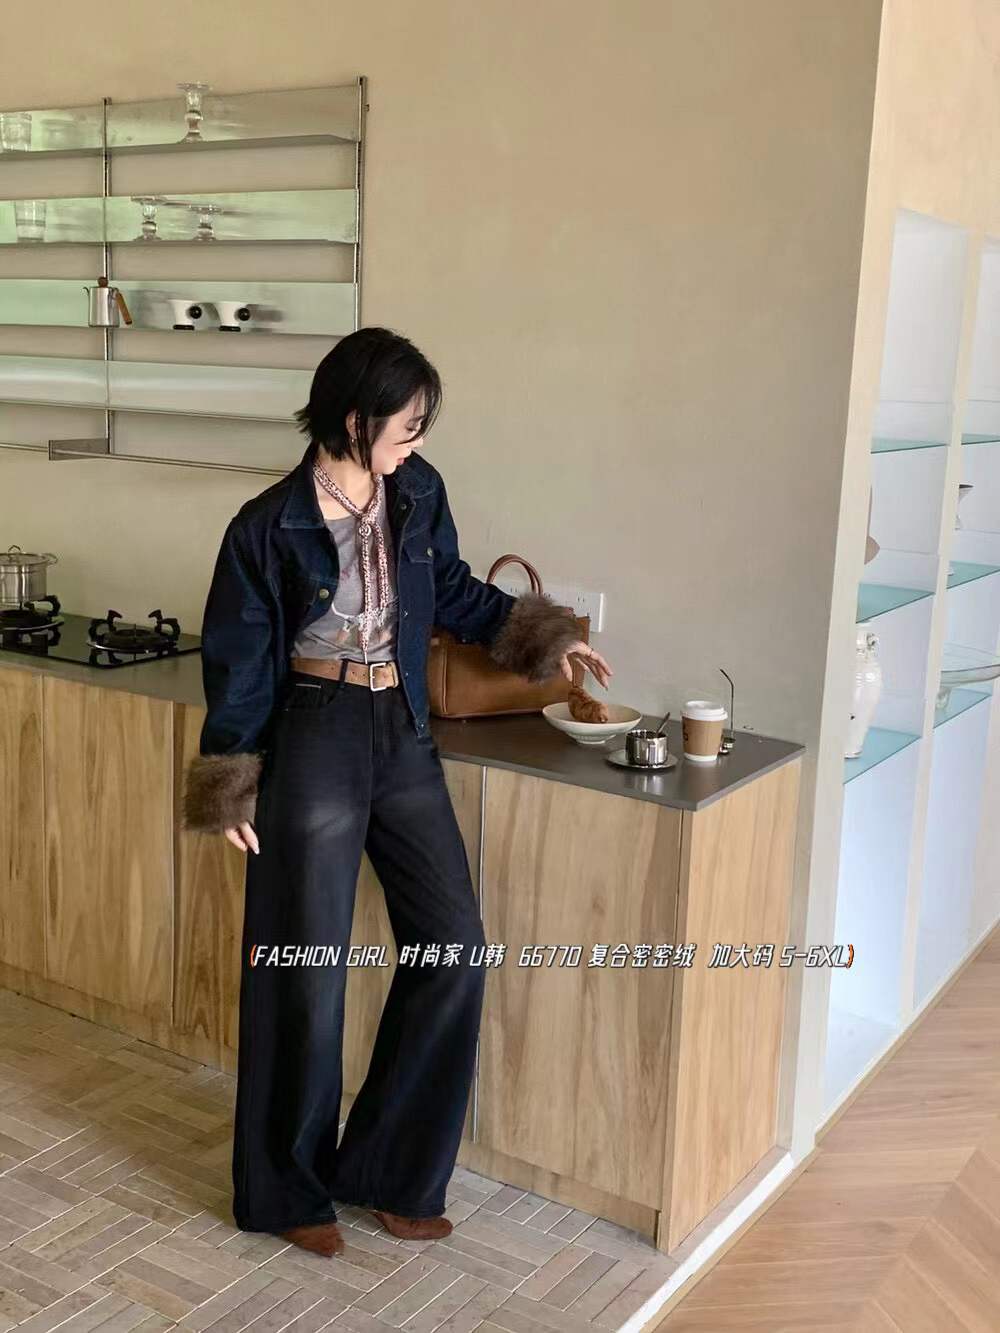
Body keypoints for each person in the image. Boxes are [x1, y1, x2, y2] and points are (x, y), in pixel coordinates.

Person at [182, 326, 613, 1259]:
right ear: (354, 417)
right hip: (313, 732)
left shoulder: (418, 491)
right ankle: (286, 1187)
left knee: (454, 945)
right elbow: (239, 660)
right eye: (405, 425)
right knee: (303, 967)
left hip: (403, 728)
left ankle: (388, 1170)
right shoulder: (267, 524)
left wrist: (548, 636)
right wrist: (230, 783)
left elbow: (451, 589)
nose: (416, 442)